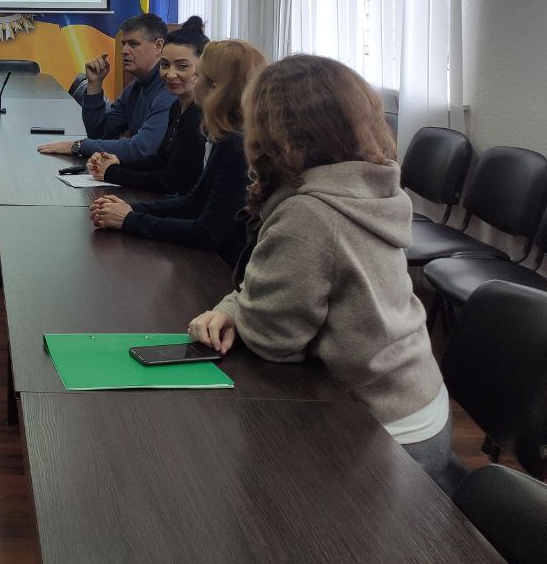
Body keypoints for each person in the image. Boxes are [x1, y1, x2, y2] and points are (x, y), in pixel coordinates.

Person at [187, 55, 452, 482]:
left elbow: (274, 339)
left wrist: (237, 311)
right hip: (419, 399)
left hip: (386, 434)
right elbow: (286, 285)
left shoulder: (309, 215)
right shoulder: (366, 184)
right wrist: (234, 309)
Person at [89, 39, 265, 267]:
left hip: (223, 272)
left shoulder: (236, 144)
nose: (193, 81)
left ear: (215, 88)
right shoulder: (226, 134)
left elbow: (208, 232)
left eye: (198, 75)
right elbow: (195, 201)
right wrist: (129, 210)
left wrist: (129, 219)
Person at [85, 16, 209, 194]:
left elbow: (168, 180)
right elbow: (159, 161)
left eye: (182, 66)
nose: (170, 74)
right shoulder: (173, 105)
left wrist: (111, 171)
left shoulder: (192, 112)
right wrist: (115, 163)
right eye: (165, 65)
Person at [38, 13, 175, 162]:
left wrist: (79, 146)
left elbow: (143, 148)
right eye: (124, 44)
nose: (124, 51)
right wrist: (94, 85)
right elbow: (100, 135)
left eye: (133, 44)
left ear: (158, 46)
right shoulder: (135, 88)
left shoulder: (169, 89)